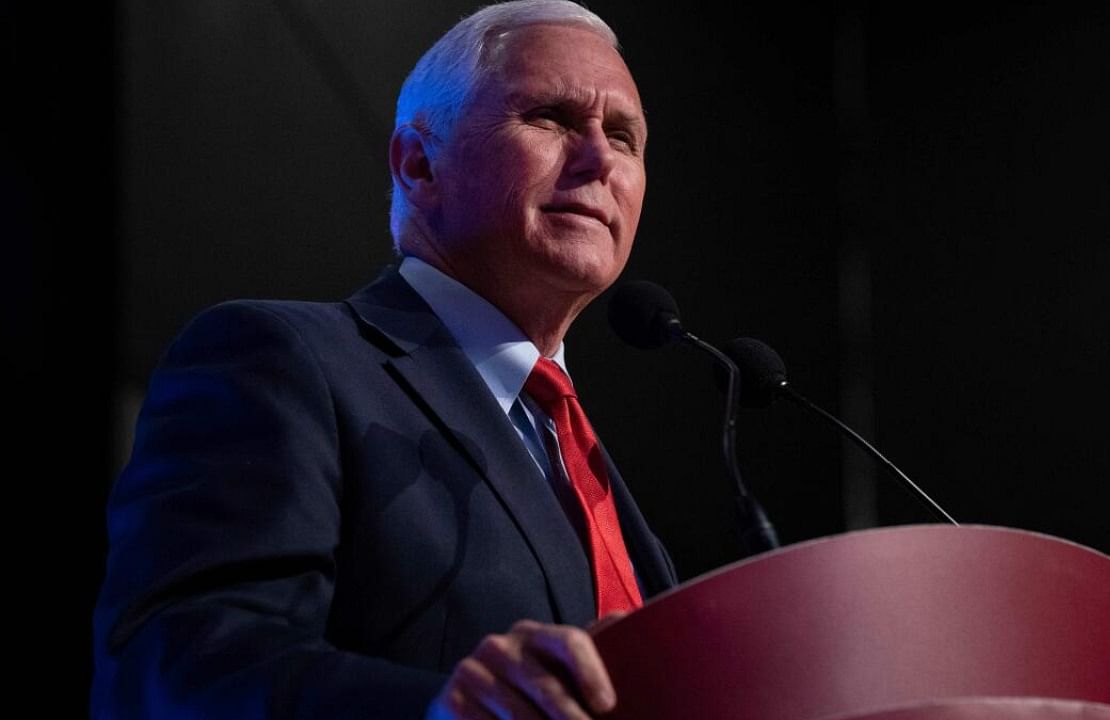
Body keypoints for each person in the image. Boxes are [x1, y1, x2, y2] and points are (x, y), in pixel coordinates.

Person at [91, 1, 677, 718]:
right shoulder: (282, 362)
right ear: (419, 163)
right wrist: (441, 709)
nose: (598, 159)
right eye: (551, 117)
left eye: (624, 136)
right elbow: (172, 667)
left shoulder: (574, 450)